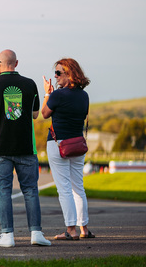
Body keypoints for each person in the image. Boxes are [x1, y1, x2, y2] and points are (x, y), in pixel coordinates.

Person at [0, 49, 51, 247]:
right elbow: (36, 114)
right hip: (26, 146)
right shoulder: (30, 84)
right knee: (30, 190)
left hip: (1, 147)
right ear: (17, 63)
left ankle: (7, 236)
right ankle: (36, 233)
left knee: (3, 191)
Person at [42, 58, 94, 240]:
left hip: (58, 144)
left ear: (69, 74)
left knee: (64, 189)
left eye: (58, 73)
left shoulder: (57, 95)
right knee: (78, 187)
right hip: (77, 144)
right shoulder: (84, 96)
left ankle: (71, 230)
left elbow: (44, 114)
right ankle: (84, 229)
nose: (55, 76)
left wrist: (48, 94)